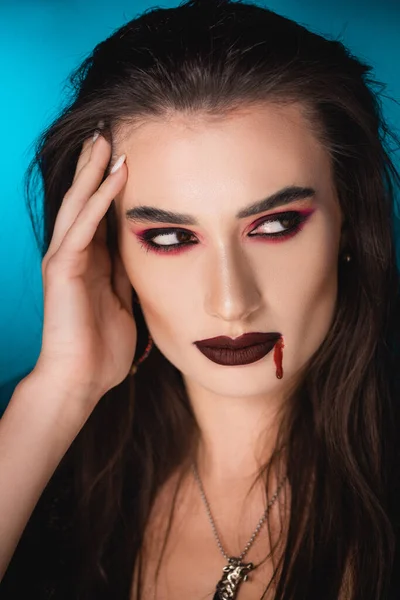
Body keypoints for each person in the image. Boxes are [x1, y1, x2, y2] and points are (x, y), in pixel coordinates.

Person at [1, 0, 400, 598]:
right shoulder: (34, 447)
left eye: (274, 226)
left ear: (348, 221)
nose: (232, 302)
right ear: (108, 250)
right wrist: (59, 395)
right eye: (169, 237)